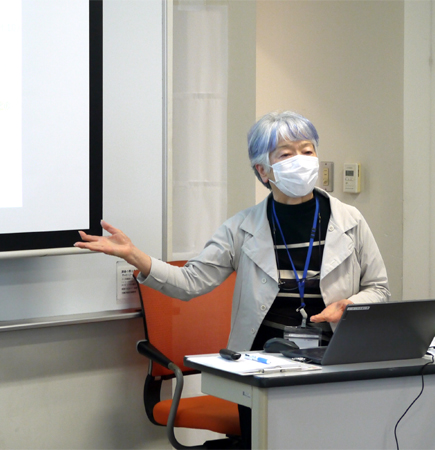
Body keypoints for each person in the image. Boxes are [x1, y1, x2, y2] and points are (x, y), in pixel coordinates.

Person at [76, 111, 390, 447]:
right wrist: (134, 255)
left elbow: (378, 288)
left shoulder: (350, 220)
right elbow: (190, 282)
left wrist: (350, 304)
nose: (300, 160)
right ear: (262, 171)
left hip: (332, 359)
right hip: (262, 365)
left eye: (307, 150)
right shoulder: (241, 228)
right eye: (286, 154)